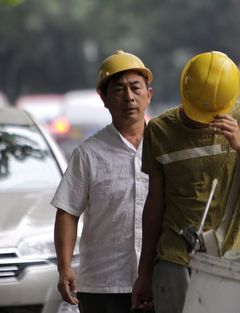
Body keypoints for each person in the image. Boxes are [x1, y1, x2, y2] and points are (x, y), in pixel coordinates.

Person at [132, 51, 240, 313]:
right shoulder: (160, 130)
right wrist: (145, 273)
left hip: (233, 262)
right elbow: (155, 205)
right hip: (176, 259)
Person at [52, 50, 153, 313]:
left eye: (135, 88)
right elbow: (67, 212)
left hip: (157, 278)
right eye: (118, 89)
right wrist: (64, 268)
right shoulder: (88, 154)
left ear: (148, 95)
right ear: (104, 98)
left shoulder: (165, 147)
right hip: (102, 284)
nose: (129, 97)